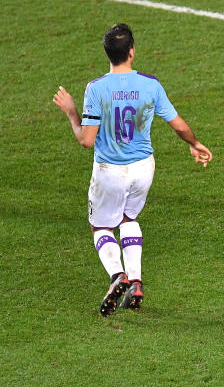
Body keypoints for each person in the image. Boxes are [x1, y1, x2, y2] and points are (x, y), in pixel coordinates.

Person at [52, 23, 212, 316]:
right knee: (129, 217)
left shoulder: (96, 89)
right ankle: (136, 282)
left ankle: (117, 276)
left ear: (107, 54)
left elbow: (86, 140)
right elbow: (177, 123)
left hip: (110, 171)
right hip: (143, 169)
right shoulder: (151, 85)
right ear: (132, 52)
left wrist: (71, 112)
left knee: (101, 226)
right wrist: (195, 143)